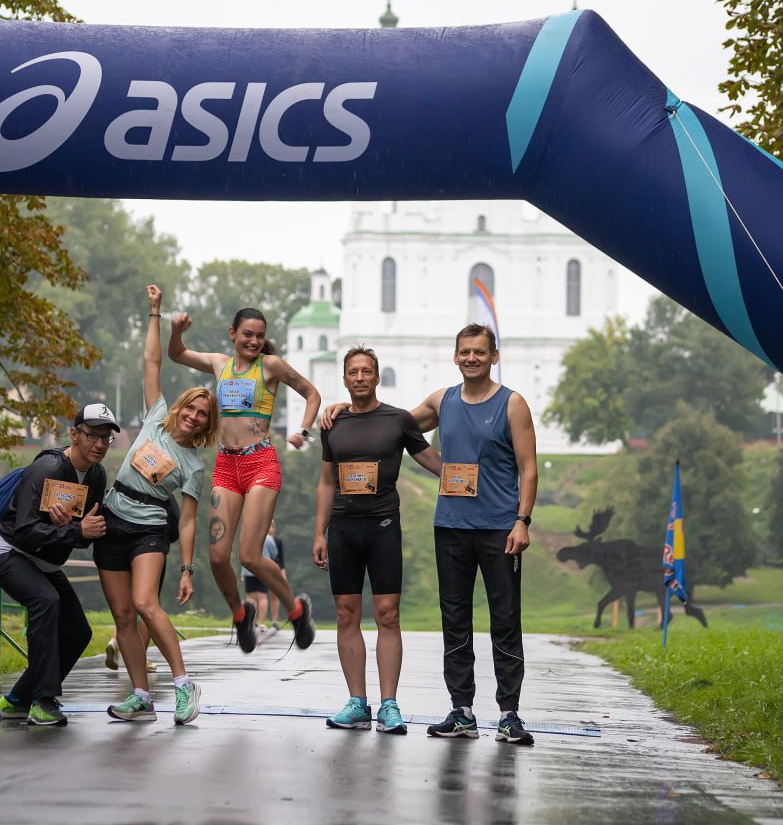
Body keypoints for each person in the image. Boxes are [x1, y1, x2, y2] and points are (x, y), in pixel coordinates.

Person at [323, 324, 538, 744]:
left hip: (499, 527)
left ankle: (510, 714)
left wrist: (522, 520)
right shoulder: (444, 400)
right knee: (454, 620)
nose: (472, 358)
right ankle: (462, 712)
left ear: (494, 356)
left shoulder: (513, 404)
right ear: (455, 357)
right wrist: (342, 410)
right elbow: (386, 424)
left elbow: (529, 468)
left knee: (505, 619)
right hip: (451, 526)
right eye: (465, 352)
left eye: (480, 352)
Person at [94, 285, 218, 725]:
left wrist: (187, 569)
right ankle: (141, 695)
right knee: (123, 615)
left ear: (207, 423)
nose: (193, 416)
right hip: (112, 519)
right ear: (180, 407)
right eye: (191, 408)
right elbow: (151, 362)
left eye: (202, 414)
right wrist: (155, 314)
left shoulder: (194, 464)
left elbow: (187, 520)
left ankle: (184, 685)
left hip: (149, 529)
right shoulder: (155, 417)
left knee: (146, 604)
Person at [168, 306, 320, 653]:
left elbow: (312, 393)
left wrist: (303, 430)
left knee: (250, 555)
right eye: (247, 334)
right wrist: (176, 329)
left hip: (261, 464)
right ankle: (241, 615)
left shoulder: (271, 366)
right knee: (219, 557)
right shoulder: (219, 364)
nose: (254, 340)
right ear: (232, 333)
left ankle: (297, 611)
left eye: (259, 335)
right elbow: (176, 353)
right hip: (226, 465)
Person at [313, 346, 441, 734]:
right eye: (353, 372)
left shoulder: (398, 420)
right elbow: (325, 481)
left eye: (367, 371)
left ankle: (389, 705)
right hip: (343, 529)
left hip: (383, 527)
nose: (360, 378)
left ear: (377, 376)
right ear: (346, 378)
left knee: (387, 614)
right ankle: (357, 703)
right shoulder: (332, 423)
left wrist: (474, 480)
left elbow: (434, 463)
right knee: (346, 615)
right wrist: (320, 532)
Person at [0, 403, 113, 727]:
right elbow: (24, 528)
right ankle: (42, 702)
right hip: (8, 552)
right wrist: (71, 529)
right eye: (92, 435)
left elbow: (82, 538)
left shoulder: (96, 476)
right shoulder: (48, 469)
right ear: (74, 434)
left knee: (79, 632)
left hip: (45, 562)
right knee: (46, 601)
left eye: (106, 438)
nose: (99, 444)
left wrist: (73, 529)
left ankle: (15, 700)